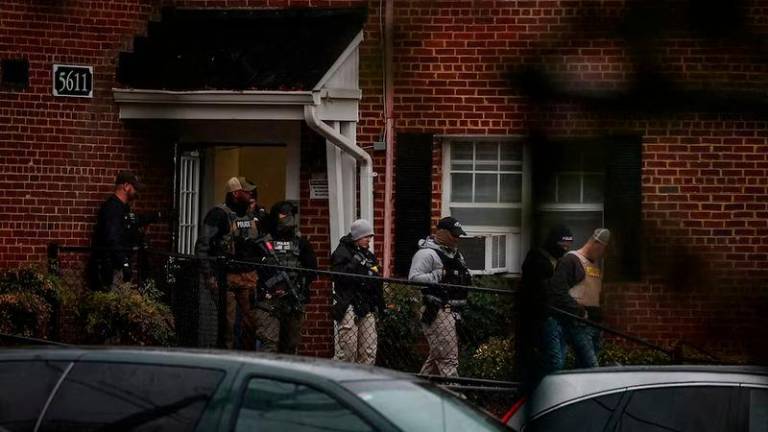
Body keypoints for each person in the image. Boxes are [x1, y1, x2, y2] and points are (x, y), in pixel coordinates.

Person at [195, 176, 260, 350]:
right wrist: (209, 275)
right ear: (236, 193)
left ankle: (249, 359)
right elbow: (202, 245)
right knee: (227, 325)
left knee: (253, 323)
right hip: (227, 276)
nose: (251, 194)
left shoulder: (252, 214)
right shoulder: (218, 214)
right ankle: (227, 359)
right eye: (247, 192)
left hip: (249, 276)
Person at [408, 216, 471, 377]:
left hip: (453, 311)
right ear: (442, 233)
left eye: (459, 235)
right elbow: (413, 279)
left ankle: (419, 393)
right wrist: (438, 275)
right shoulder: (427, 253)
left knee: (437, 358)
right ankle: (456, 397)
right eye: (454, 235)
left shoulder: (456, 255)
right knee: (448, 359)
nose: (457, 239)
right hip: (436, 310)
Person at [516, 225, 574, 391]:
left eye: (568, 244)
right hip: (542, 317)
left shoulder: (556, 260)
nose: (566, 248)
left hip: (554, 316)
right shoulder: (539, 260)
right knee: (554, 361)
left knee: (557, 359)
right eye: (563, 244)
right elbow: (539, 292)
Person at [545, 228, 611, 370]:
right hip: (579, 323)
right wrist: (579, 311)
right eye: (603, 250)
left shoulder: (595, 265)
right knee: (592, 368)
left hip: (594, 325)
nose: (603, 255)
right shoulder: (571, 260)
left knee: (584, 369)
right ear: (596, 244)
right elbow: (558, 292)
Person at [89, 171, 161, 291]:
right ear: (126, 186)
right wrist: (124, 263)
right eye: (135, 188)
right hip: (111, 267)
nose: (136, 192)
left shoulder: (124, 208)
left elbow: (134, 221)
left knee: (121, 302)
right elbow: (112, 238)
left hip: (117, 266)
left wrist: (155, 216)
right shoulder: (112, 208)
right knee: (114, 303)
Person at [263, 200, 318, 354]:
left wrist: (300, 286)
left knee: (291, 343)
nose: (287, 218)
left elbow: (312, 270)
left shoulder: (301, 243)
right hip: (269, 300)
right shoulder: (265, 241)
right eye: (284, 214)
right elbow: (258, 269)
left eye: (290, 214)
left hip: (293, 299)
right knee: (270, 342)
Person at [331, 219, 384, 365]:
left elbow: (377, 282)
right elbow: (338, 276)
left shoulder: (369, 256)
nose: (369, 240)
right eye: (366, 236)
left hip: (367, 305)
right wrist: (354, 261)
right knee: (348, 350)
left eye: (370, 237)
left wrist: (380, 307)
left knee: (368, 351)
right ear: (357, 237)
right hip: (349, 303)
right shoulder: (342, 252)